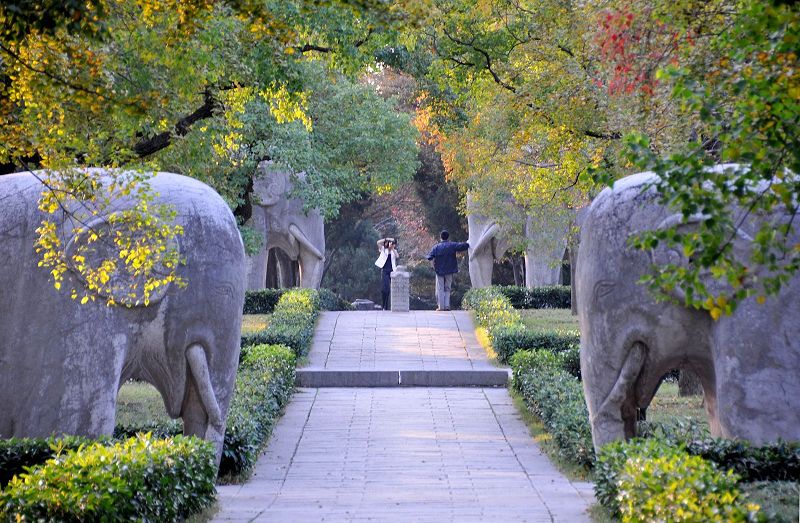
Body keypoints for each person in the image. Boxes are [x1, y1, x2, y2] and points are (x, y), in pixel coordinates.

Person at [426, 230, 469, 311]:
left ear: (440, 237)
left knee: (440, 288)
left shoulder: (436, 247)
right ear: (448, 237)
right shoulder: (452, 245)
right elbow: (463, 246)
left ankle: (441, 307)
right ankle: (447, 306)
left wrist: (434, 264)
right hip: (450, 270)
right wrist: (467, 242)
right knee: (447, 288)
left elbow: (429, 257)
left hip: (439, 271)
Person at [375, 238, 398, 310]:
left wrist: (393, 248)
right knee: (385, 289)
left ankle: (388, 306)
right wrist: (387, 239)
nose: (390, 244)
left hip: (392, 271)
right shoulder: (383, 250)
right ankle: (384, 304)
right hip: (385, 270)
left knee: (393, 288)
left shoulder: (394, 251)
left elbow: (397, 256)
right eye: (389, 243)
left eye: (391, 243)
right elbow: (378, 242)